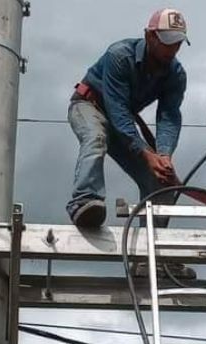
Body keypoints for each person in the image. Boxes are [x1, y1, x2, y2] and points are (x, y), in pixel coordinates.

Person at [66, 8, 195, 279]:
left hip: (120, 121)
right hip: (89, 106)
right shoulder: (120, 55)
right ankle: (84, 202)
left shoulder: (176, 74)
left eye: (178, 43)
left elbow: (169, 116)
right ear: (150, 36)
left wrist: (164, 155)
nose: (172, 49)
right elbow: (118, 111)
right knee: (96, 137)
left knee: (161, 181)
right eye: (167, 41)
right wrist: (146, 154)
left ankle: (151, 255)